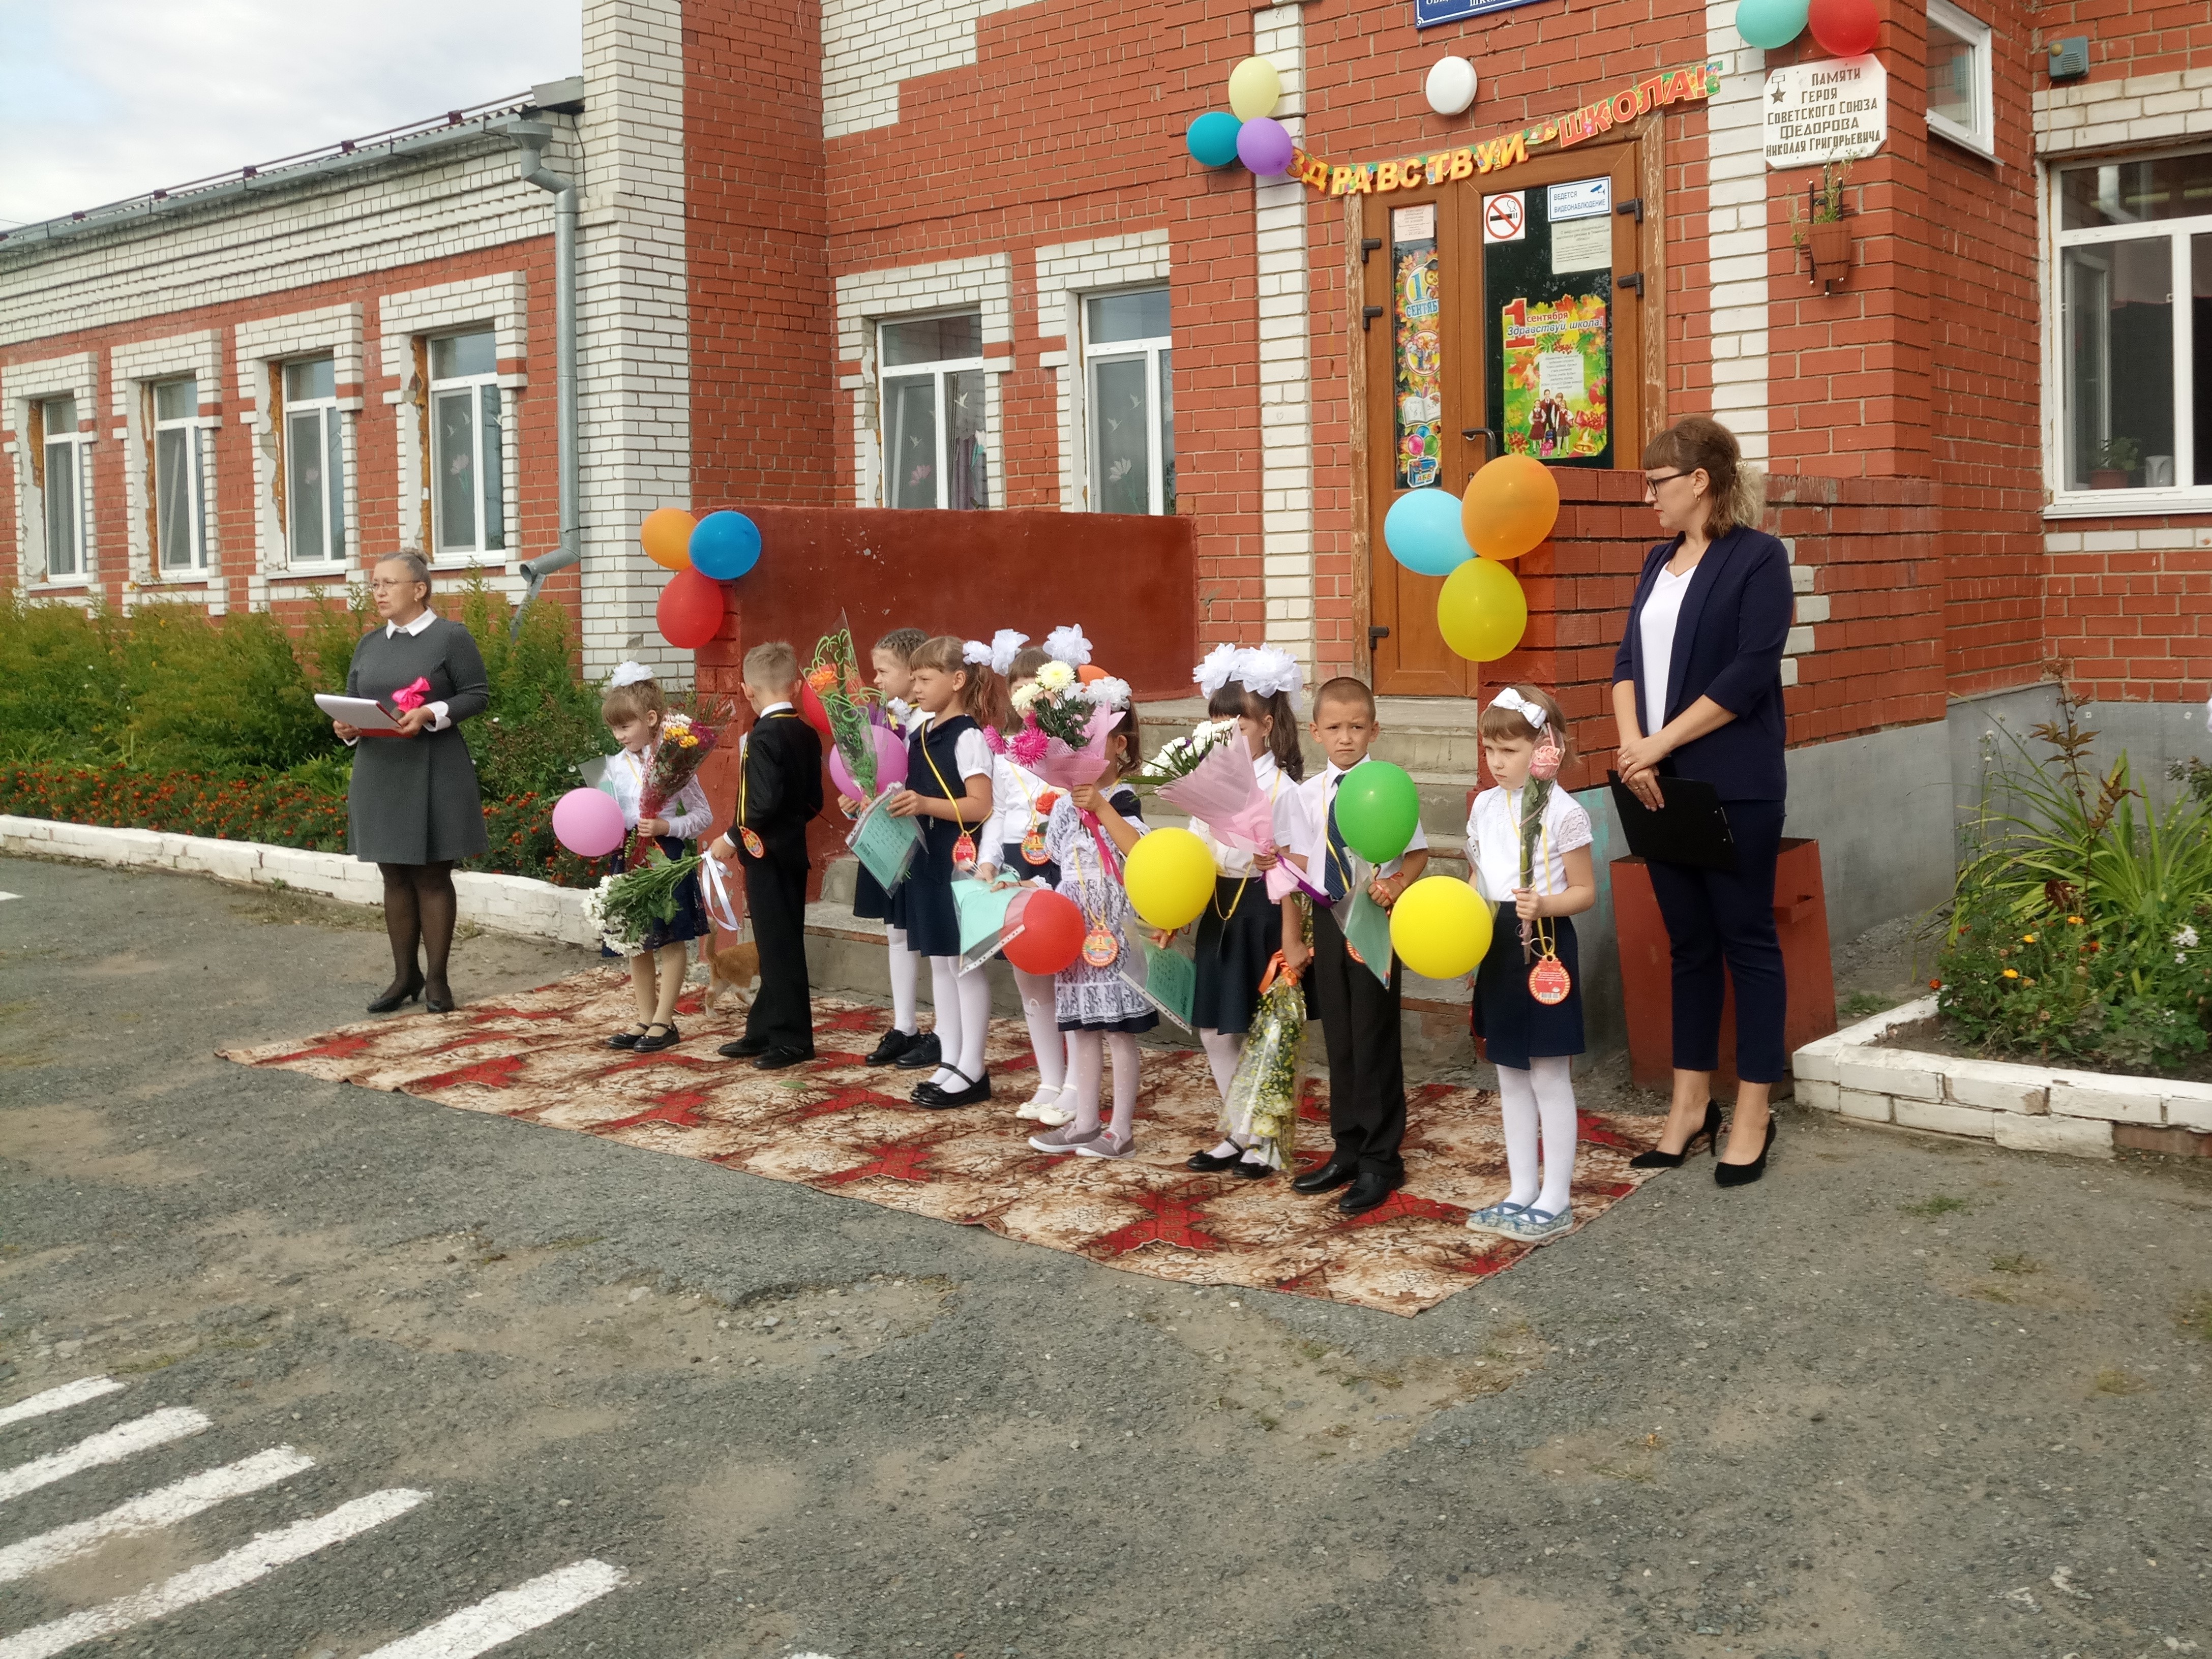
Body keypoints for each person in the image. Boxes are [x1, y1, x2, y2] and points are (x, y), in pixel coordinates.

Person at [1611, 414, 1795, 1187]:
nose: (1648, 495)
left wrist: (1659, 743)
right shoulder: (1657, 561)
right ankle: (1690, 1108)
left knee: (1745, 940)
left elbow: (1750, 672)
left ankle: (1752, 1110)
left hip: (1733, 783)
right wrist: (1634, 750)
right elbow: (1626, 662)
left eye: (1657, 481)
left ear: (1699, 481)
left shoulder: (1758, 558)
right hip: (1655, 783)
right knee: (1688, 943)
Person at [1279, 677, 1429, 1214]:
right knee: (1340, 1037)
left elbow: (1417, 853)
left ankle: (1381, 1159)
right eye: (1335, 727)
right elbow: (1301, 860)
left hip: (1373, 916)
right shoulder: (1306, 794)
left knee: (1373, 1036)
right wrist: (1276, 865)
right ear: (1315, 731)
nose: (1346, 737)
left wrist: (1399, 883)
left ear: (1375, 730)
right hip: (1328, 914)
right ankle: (1347, 1147)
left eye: (1357, 727)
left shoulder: (1387, 786)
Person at [1461, 685, 1596, 1244]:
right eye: (1489, 749)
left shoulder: (1564, 812)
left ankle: (1556, 1196)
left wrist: (1544, 904)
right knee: (1509, 1070)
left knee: (1547, 1072)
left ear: (1545, 748)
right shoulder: (1484, 805)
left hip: (1545, 945)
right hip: (1495, 942)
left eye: (1509, 750)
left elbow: (1585, 890)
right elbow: (1478, 877)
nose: (1496, 762)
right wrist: (1466, 935)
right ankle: (1521, 1189)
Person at [330, 550, 489, 1014]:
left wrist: (431, 712)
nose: (378, 592)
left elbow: (477, 695)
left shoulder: (451, 637)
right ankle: (405, 976)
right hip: (379, 770)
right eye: (375, 584)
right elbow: (355, 700)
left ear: (419, 589)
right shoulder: (368, 643)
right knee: (394, 875)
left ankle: (437, 980)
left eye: (388, 583)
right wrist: (346, 726)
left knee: (433, 876)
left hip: (435, 767)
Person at [1181, 645, 1305, 1179]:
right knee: (1214, 1029)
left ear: (1267, 725)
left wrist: (1291, 933)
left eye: (1239, 723)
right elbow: (1192, 852)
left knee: (1265, 1030)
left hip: (1265, 908)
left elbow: (1297, 868)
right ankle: (1240, 1128)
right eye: (1217, 723)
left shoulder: (1284, 790)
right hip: (1219, 906)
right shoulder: (1207, 781)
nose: (1227, 733)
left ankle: (1268, 1137)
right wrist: (1177, 909)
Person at [1026, 696, 1154, 1160]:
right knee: (1081, 1028)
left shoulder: (1123, 799)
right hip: (1076, 931)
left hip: (1114, 932)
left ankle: (1121, 1130)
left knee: (1119, 1031)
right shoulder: (1064, 808)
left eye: (1094, 745)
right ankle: (1084, 1121)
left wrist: (1100, 806)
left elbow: (1137, 851)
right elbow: (1058, 863)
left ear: (1119, 746)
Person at [884, 636, 1000, 1107]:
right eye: (913, 678)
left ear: (957, 680)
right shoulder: (920, 732)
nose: (915, 687)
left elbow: (982, 804)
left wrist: (925, 804)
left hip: (959, 858)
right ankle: (950, 1058)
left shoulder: (968, 736)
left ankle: (973, 1066)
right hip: (927, 858)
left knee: (964, 963)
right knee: (940, 960)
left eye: (924, 678)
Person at [976, 642, 1076, 1127]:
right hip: (1017, 859)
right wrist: (988, 860)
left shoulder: (1071, 743)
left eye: (1035, 689)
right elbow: (998, 812)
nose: (1026, 698)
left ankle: (1076, 1082)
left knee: (1068, 969)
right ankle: (1050, 1078)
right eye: (1017, 689)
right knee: (1028, 971)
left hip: (1060, 859)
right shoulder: (1003, 749)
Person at [710, 642, 823, 1070]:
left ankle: (793, 1039)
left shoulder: (762, 736)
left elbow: (759, 804)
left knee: (779, 949)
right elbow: (813, 800)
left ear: (746, 689)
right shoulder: (805, 732)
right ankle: (763, 1028)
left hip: (766, 855)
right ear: (795, 685)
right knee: (777, 943)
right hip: (791, 850)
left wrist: (731, 838)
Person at [599, 664, 714, 1053]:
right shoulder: (613, 766)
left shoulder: (675, 759)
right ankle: (645, 1016)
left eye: (625, 726)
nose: (619, 735)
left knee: (670, 937)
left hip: (666, 856)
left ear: (651, 719)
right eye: (614, 729)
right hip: (629, 855)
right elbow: (605, 811)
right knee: (636, 940)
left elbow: (703, 816)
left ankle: (665, 1020)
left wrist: (668, 826)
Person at [852, 626, 940, 1072]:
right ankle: (905, 1026)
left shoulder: (929, 724)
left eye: (884, 670)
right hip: (890, 837)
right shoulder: (882, 720)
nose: (877, 679)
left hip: (927, 839)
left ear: (912, 670)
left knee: (937, 939)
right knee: (897, 932)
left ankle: (947, 1032)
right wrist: (859, 795)